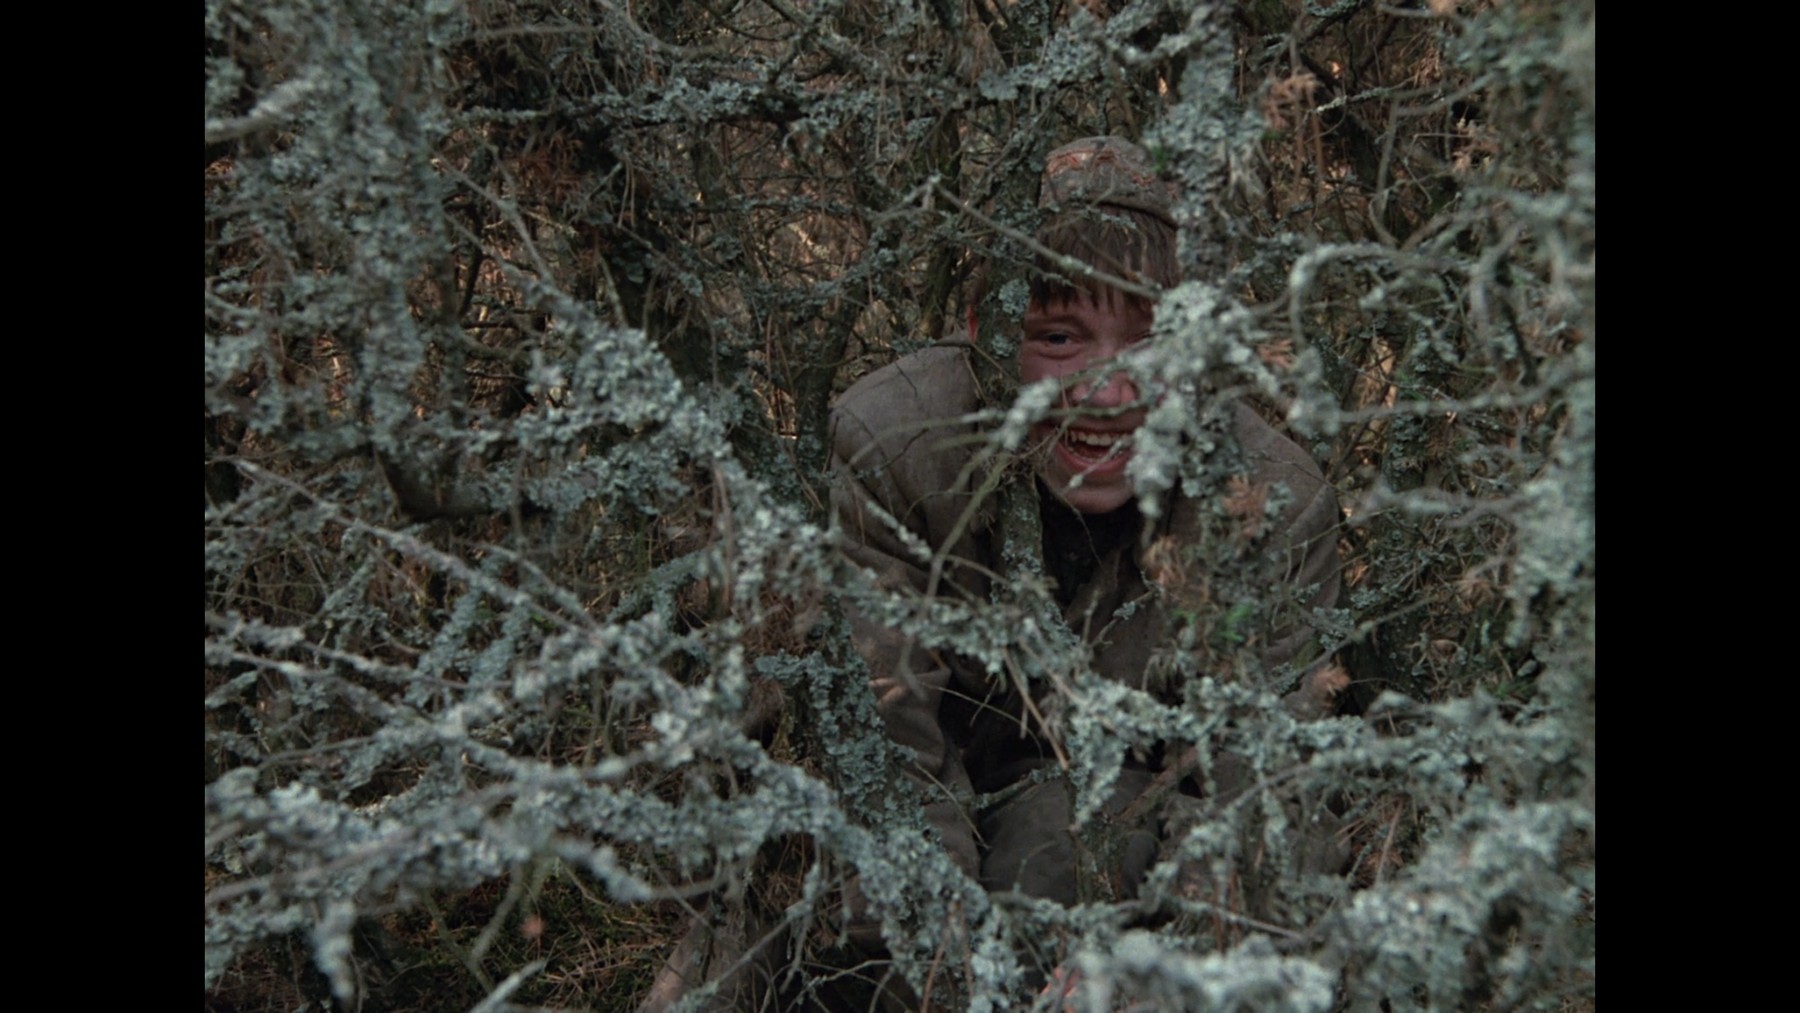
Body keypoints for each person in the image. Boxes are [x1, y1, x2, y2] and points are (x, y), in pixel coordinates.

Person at [829, 136, 1346, 920]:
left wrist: (1149, 972)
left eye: (1153, 342)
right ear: (985, 330)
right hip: (955, 816)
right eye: (1060, 338)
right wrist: (959, 961)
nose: (1110, 394)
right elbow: (887, 758)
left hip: (1145, 829)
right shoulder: (891, 445)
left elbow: (1262, 799)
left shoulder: (1273, 500)